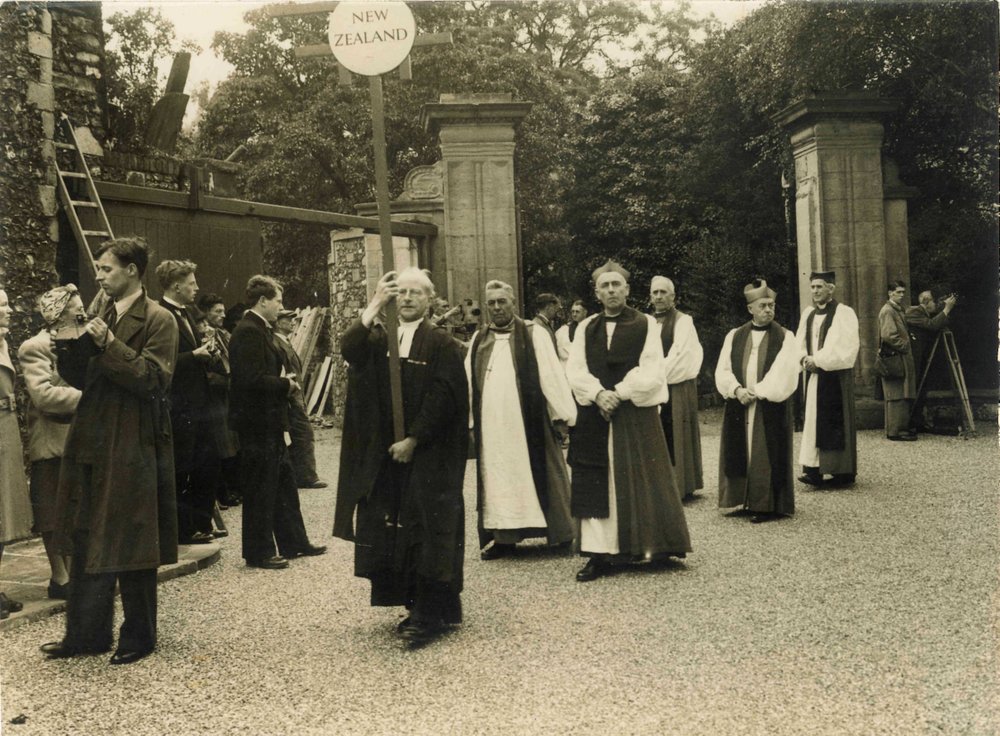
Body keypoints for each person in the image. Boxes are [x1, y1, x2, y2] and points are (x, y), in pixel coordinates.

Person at [43, 237, 178, 665]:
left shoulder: (159, 319)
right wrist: (65, 341)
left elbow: (153, 381)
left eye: (106, 269)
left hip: (133, 439)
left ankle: (139, 636)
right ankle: (85, 634)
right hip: (94, 437)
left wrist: (108, 345)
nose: (98, 276)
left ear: (132, 271)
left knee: (133, 537)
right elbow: (83, 377)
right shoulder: (99, 313)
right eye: (99, 269)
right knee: (85, 534)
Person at [333, 268, 468, 645]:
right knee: (395, 526)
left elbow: (443, 397)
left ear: (429, 299)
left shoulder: (441, 342)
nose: (407, 299)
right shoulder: (380, 338)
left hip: (429, 454)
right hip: (389, 453)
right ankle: (417, 603)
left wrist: (414, 439)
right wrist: (375, 301)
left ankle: (429, 612)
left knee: (427, 526)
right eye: (400, 294)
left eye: (415, 293)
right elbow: (349, 348)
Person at [566, 261, 691, 582]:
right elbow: (575, 370)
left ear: (627, 290)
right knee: (596, 480)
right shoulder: (585, 328)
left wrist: (618, 393)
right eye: (605, 286)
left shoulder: (645, 323)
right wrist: (597, 394)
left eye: (616, 285)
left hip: (633, 414)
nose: (611, 290)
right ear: (596, 293)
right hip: (595, 414)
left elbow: (652, 370)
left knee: (639, 477)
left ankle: (646, 544)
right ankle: (599, 553)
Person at [467, 279, 576, 560]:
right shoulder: (479, 339)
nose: (496, 307)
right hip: (492, 426)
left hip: (529, 422)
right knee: (498, 477)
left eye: (502, 301)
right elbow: (468, 383)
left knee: (545, 471)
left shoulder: (533, 333)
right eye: (491, 302)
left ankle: (561, 535)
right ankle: (505, 538)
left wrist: (562, 414)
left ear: (513, 303)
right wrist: (468, 421)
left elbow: (552, 375)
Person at [229, 276, 326, 570]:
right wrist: (286, 385)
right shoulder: (248, 331)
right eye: (278, 302)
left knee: (284, 483)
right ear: (263, 301)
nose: (280, 307)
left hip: (270, 421)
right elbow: (250, 380)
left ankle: (294, 542)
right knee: (261, 488)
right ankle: (258, 552)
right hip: (257, 423)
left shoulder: (258, 330)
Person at [18, 285, 84, 600]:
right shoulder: (35, 347)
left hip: (76, 438)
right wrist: (90, 398)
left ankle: (73, 574)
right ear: (59, 313)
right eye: (77, 307)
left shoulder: (77, 342)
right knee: (52, 509)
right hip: (52, 440)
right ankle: (60, 578)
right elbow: (43, 395)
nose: (83, 311)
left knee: (73, 508)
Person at [715, 278, 801, 523]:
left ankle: (767, 504)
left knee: (765, 451)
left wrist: (759, 391)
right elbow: (723, 368)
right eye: (762, 305)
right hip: (740, 402)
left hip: (767, 403)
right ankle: (744, 498)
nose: (768, 310)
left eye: (771, 305)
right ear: (750, 308)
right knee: (740, 449)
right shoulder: (735, 336)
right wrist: (736, 389)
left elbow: (785, 372)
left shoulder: (785, 337)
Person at [156, 260, 216, 545]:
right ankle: (183, 529)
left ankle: (201, 523)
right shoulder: (160, 315)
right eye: (192, 283)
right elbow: (161, 363)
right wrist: (195, 356)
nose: (197, 288)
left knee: (204, 464)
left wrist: (207, 351)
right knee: (183, 467)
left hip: (199, 402)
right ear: (176, 286)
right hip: (179, 405)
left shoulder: (189, 313)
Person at [794, 271, 860, 487]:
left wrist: (819, 360)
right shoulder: (809, 314)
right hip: (815, 377)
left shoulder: (844, 313)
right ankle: (813, 469)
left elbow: (845, 347)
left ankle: (840, 470)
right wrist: (804, 358)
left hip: (834, 377)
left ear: (831, 288)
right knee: (813, 420)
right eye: (812, 287)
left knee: (833, 420)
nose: (815, 291)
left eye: (819, 287)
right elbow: (799, 343)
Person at [649, 276, 704, 500]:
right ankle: (657, 486)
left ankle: (680, 485)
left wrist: (655, 376)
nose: (659, 296)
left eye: (664, 292)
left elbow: (681, 355)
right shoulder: (646, 321)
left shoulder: (683, 321)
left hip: (675, 385)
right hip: (652, 386)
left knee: (675, 433)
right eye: (655, 293)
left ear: (673, 296)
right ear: (650, 297)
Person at [0, 287, 33, 619]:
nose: (9, 311)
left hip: (5, 430)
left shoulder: (3, 343)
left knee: (4, 512)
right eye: (3, 306)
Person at [273, 309, 326, 489]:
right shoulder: (277, 343)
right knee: (303, 434)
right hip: (290, 397)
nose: (293, 323)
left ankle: (301, 475)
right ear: (279, 323)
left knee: (298, 435)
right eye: (288, 320)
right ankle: (307, 476)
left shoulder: (284, 342)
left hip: (295, 397)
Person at [197, 293, 241, 508]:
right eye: (217, 311)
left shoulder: (224, 334)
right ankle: (224, 492)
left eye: (223, 311)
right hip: (213, 396)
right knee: (221, 441)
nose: (223, 315)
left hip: (226, 392)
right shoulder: (204, 335)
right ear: (205, 313)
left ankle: (233, 488)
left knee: (231, 439)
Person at [905, 290, 957, 432]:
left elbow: (936, 322)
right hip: (914, 358)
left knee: (921, 388)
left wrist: (945, 309)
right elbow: (932, 325)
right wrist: (947, 308)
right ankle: (910, 423)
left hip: (922, 357)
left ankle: (917, 421)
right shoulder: (913, 312)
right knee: (916, 388)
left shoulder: (924, 313)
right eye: (934, 301)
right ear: (926, 302)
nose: (936, 304)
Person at [878, 281, 918, 441]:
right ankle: (895, 431)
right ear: (890, 293)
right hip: (894, 356)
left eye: (903, 292)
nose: (902, 295)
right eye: (898, 292)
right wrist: (906, 345)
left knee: (900, 391)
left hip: (898, 355)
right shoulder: (888, 310)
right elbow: (888, 335)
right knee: (895, 392)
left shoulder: (895, 309)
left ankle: (899, 428)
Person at [555, 300, 587, 365]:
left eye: (577, 312)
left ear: (585, 312)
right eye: (572, 312)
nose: (574, 314)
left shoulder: (590, 328)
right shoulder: (564, 330)